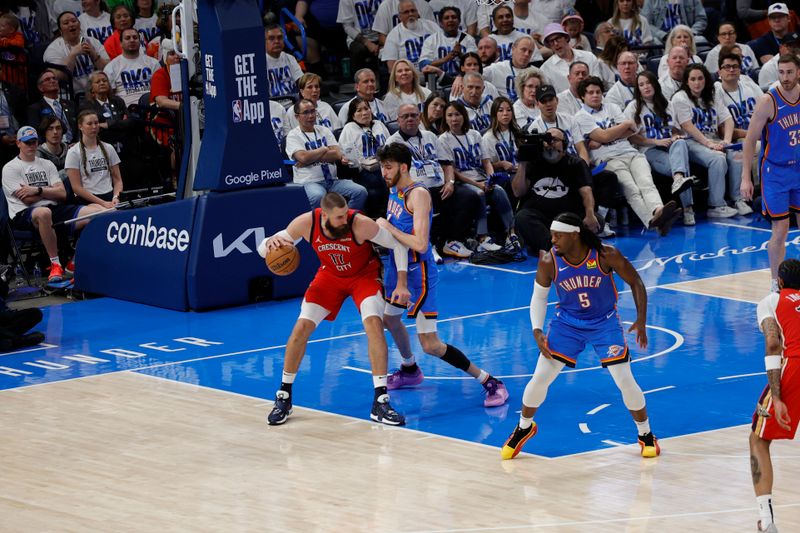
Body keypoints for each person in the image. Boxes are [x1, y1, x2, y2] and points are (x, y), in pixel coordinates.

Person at [501, 211, 660, 460]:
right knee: (540, 377)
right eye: (552, 235)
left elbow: (637, 281)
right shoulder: (548, 260)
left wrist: (641, 319)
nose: (552, 240)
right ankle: (524, 427)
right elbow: (539, 297)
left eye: (558, 236)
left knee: (624, 379)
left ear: (574, 235)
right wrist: (537, 329)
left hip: (604, 323)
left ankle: (646, 434)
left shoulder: (606, 255)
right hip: (568, 324)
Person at [375, 142, 510, 407]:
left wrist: (388, 227)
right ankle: (410, 369)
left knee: (431, 345)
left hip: (419, 274)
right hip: (397, 268)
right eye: (382, 166)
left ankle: (489, 381)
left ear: (403, 167)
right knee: (389, 319)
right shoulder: (393, 190)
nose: (384, 172)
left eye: (388, 167)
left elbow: (421, 244)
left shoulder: (419, 195)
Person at [258, 192, 408, 427]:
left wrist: (401, 282)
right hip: (330, 276)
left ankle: (380, 400)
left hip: (364, 276)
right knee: (301, 328)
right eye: (338, 217)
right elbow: (263, 248)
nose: (344, 220)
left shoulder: (360, 224)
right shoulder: (306, 223)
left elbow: (398, 245)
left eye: (345, 214)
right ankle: (284, 396)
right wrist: (269, 243)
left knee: (374, 326)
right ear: (324, 215)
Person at [576, 76, 680, 236]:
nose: (595, 95)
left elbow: (631, 131)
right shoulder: (581, 116)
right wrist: (621, 127)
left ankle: (658, 210)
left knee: (646, 183)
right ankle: (652, 221)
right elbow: (610, 134)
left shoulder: (612, 107)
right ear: (583, 96)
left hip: (631, 153)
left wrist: (605, 136)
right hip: (608, 159)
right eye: (590, 92)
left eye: (598, 92)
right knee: (631, 188)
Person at [2, 126, 105, 282]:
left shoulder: (46, 164)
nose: (31, 145)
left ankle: (76, 259)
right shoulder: (10, 168)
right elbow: (27, 200)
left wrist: (36, 190)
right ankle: (55, 264)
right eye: (26, 142)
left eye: (33, 142)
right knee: (43, 212)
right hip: (25, 214)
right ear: (18, 143)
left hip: (54, 208)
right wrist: (50, 190)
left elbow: (62, 194)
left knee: (100, 212)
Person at [386, 103, 482, 258]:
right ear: (398, 120)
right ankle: (427, 245)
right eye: (405, 116)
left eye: (414, 115)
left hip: (439, 185)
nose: (410, 119)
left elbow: (447, 163)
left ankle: (451, 242)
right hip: (413, 190)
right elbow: (391, 174)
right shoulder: (393, 142)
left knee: (469, 197)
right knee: (425, 198)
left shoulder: (430, 136)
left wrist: (450, 183)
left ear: (419, 118)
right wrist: (415, 188)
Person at [741, 54, 800, 294]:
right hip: (775, 171)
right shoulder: (768, 101)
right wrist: (746, 177)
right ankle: (777, 282)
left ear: (798, 72)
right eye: (781, 72)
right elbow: (749, 140)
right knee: (781, 228)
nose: (785, 78)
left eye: (790, 72)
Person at [749, 258, 800, 533]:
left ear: (780, 282)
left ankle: (767, 522)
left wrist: (777, 397)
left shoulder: (772, 301)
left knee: (758, 439)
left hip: (795, 367)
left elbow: (772, 342)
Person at [672, 63, 752, 218]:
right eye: (693, 79)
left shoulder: (712, 94)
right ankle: (716, 205)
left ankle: (737, 199)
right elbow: (687, 126)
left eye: (700, 78)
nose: (697, 83)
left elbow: (728, 119)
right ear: (687, 82)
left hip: (713, 139)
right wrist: (709, 144)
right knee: (717, 159)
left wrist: (727, 141)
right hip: (690, 141)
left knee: (736, 152)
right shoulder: (679, 98)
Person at [439, 101, 514, 250]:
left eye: (457, 114)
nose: (454, 119)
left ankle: (511, 233)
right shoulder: (443, 139)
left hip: (481, 178)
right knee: (479, 193)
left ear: (464, 116)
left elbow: (486, 162)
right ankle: (482, 237)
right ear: (445, 119)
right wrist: (478, 184)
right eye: (450, 115)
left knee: (498, 190)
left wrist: (491, 179)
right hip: (463, 181)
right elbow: (452, 171)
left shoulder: (474, 135)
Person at [511, 127, 599, 254]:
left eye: (555, 140)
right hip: (540, 217)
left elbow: (586, 192)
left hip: (567, 215)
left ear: (564, 144)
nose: (550, 143)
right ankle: (555, 248)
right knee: (522, 217)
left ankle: (556, 245)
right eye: (547, 140)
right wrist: (523, 163)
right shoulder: (534, 162)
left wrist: (590, 214)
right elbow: (518, 192)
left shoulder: (575, 163)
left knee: (596, 220)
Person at [625, 70, 696, 225]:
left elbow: (675, 129)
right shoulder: (633, 107)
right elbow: (630, 136)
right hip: (648, 150)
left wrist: (675, 135)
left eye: (648, 83)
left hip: (669, 148)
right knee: (681, 165)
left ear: (655, 84)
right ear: (638, 89)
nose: (646, 87)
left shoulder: (668, 105)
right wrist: (655, 142)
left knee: (681, 143)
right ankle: (688, 208)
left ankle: (678, 179)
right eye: (641, 84)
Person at [286, 99, 368, 210]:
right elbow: (303, 157)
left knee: (360, 192)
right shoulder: (293, 136)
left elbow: (337, 154)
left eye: (313, 111)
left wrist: (311, 157)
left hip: (332, 181)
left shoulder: (324, 130)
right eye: (306, 112)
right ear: (297, 117)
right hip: (309, 182)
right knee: (318, 196)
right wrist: (324, 149)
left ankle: (345, 220)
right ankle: (321, 226)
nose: (310, 115)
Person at [338, 97, 391, 219]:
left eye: (366, 109)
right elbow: (346, 154)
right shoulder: (349, 129)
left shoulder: (379, 124)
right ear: (353, 115)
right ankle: (376, 217)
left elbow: (390, 145)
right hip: (363, 170)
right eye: (359, 110)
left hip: (385, 166)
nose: (364, 113)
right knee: (376, 181)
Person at [65, 110, 123, 208]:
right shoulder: (73, 152)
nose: (94, 126)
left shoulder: (108, 148)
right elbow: (76, 188)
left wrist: (116, 197)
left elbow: (118, 180)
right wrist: (102, 203)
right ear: (80, 126)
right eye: (89, 124)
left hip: (109, 196)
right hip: (88, 200)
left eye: (96, 123)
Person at [103, 27, 160, 107]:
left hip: (152, 106)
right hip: (126, 110)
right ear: (121, 43)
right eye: (127, 38)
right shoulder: (111, 67)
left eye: (135, 37)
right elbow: (110, 95)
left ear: (140, 42)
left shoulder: (153, 63)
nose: (132, 40)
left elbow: (159, 89)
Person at [540, 23, 601, 94]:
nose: (556, 43)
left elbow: (598, 82)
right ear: (549, 45)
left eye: (558, 38)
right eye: (551, 41)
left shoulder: (589, 57)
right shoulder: (545, 69)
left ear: (566, 38)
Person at [715, 52, 763, 140]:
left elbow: (767, 109)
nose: (732, 69)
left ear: (740, 70)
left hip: (761, 132)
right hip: (738, 139)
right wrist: (752, 134)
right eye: (727, 67)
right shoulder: (716, 93)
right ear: (719, 72)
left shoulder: (749, 84)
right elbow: (721, 131)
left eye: (735, 66)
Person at [380, 0, 440, 72]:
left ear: (417, 13)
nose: (410, 14)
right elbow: (392, 67)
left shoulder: (432, 26)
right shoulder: (393, 35)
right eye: (406, 12)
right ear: (400, 17)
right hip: (410, 78)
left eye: (413, 11)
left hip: (436, 71)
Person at [419, 5, 477, 77]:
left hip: (464, 80)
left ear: (459, 21)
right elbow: (423, 65)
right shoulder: (431, 40)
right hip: (438, 82)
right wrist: (446, 59)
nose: (450, 20)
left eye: (454, 17)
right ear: (440, 23)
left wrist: (461, 55)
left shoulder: (469, 39)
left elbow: (475, 64)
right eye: (446, 18)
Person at [26, 69, 78, 144]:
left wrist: (77, 143)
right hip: (51, 148)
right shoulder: (35, 108)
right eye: (47, 79)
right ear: (41, 87)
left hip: (74, 147)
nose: (52, 81)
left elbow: (79, 126)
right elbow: (36, 133)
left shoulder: (71, 104)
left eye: (54, 78)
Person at [483, 34, 538, 100]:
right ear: (513, 49)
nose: (526, 54)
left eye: (530, 52)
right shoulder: (497, 68)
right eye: (523, 50)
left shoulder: (537, 73)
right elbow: (475, 77)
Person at [265, 23, 303, 103]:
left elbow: (302, 83)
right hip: (272, 108)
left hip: (293, 107)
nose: (276, 41)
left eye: (280, 38)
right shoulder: (259, 62)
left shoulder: (289, 58)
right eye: (271, 38)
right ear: (264, 41)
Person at [641, 0, 707, 46]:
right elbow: (647, 24)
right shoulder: (650, 1)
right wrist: (664, 36)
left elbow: (701, 19)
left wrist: (691, 33)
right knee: (655, 43)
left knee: (701, 40)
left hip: (687, 35)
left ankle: (698, 64)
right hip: (662, 38)